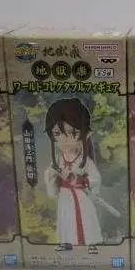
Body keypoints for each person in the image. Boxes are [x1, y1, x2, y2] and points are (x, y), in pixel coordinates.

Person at [44, 98, 103, 254]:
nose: (64, 140)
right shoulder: (58, 160)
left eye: (72, 133)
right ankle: (66, 241)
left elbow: (95, 177)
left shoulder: (85, 161)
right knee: (65, 217)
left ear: (87, 134)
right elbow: (49, 175)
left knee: (87, 216)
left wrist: (87, 184)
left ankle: (91, 243)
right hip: (65, 195)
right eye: (57, 133)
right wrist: (53, 176)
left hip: (82, 194)